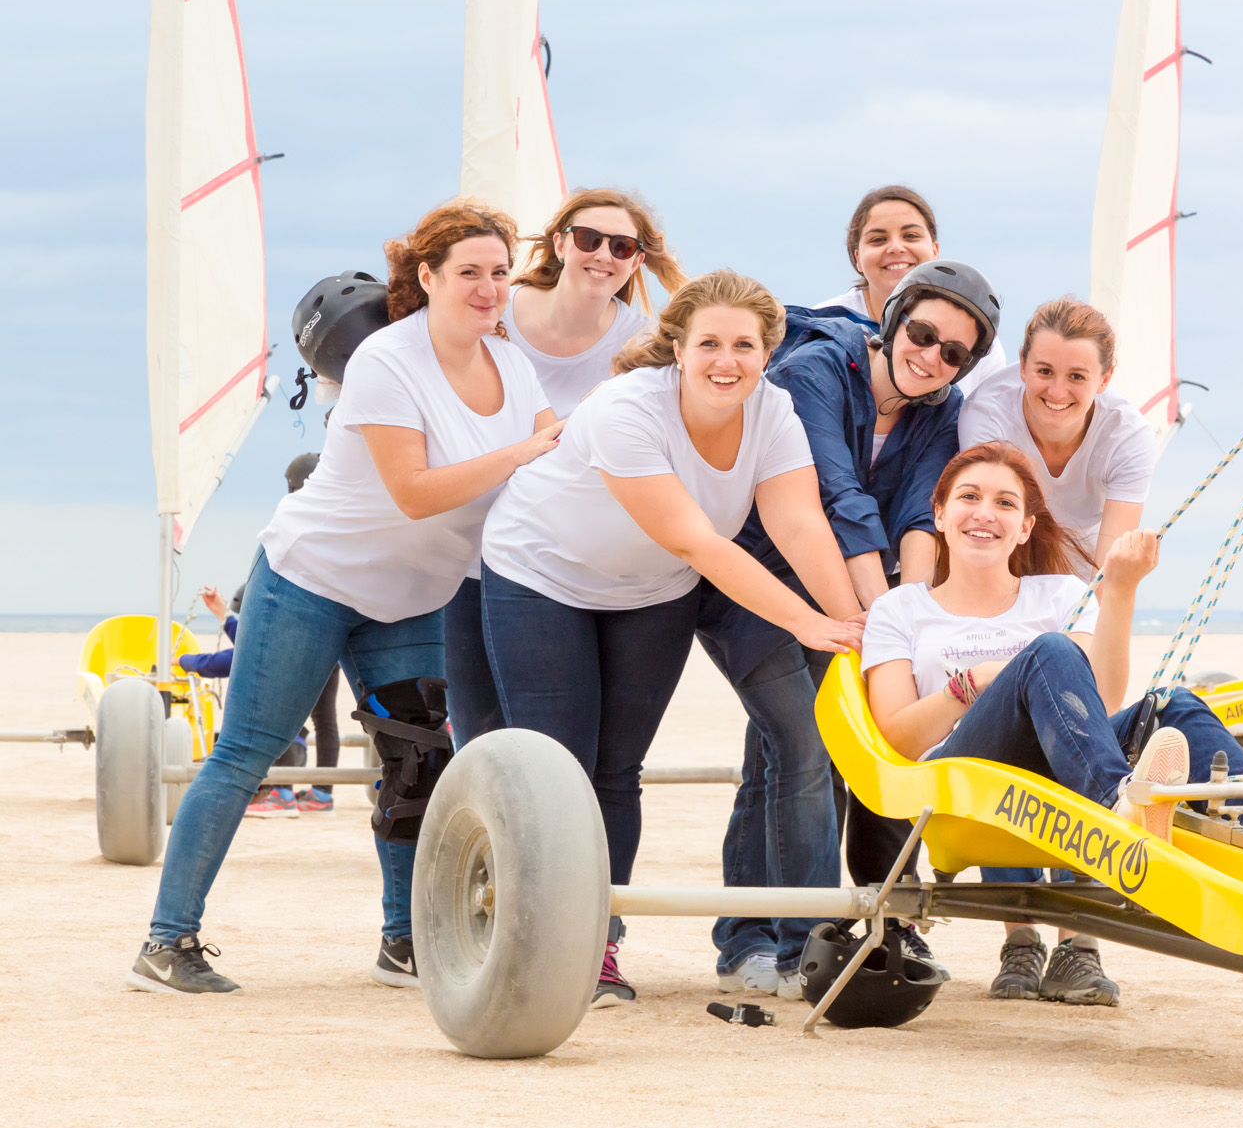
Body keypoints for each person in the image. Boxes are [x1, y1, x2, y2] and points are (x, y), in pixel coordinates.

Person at [127, 200, 560, 996]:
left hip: (414, 595)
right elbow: (416, 492)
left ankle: (404, 940)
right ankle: (166, 940)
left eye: (500, 273)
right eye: (469, 272)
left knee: (417, 762)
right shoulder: (386, 361)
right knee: (246, 753)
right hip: (313, 579)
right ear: (426, 276)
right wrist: (524, 448)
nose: (489, 288)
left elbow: (549, 471)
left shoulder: (514, 364)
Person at [480, 269, 865, 1007]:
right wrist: (806, 620)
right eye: (711, 344)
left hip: (651, 592)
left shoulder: (774, 411)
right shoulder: (629, 408)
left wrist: (848, 626)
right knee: (557, 769)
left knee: (617, 769)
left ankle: (598, 945)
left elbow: (800, 523)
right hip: (542, 574)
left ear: (766, 352)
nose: (728, 361)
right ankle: (538, 938)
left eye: (745, 346)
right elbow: (699, 541)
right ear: (678, 350)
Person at [860, 443, 1243, 1004]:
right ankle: (1120, 807)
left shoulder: (1060, 594)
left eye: (1004, 503)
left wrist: (1120, 587)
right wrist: (970, 683)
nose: (984, 513)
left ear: (1024, 528)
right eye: (969, 497)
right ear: (940, 513)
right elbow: (896, 737)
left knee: (1173, 705)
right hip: (965, 773)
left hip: (1062, 760)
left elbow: (1103, 698)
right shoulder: (901, 609)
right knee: (1047, 650)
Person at [714, 258, 1001, 982]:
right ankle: (804, 947)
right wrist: (884, 620)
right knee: (805, 744)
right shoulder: (813, 370)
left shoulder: (940, 407)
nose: (931, 355)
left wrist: (914, 614)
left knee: (791, 748)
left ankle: (758, 934)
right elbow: (838, 497)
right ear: (893, 316)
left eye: (954, 352)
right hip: (755, 582)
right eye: (922, 331)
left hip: (850, 590)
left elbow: (915, 516)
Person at [958, 296, 1158, 997]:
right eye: (1044, 370)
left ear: (1105, 378)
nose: (1057, 390)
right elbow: (986, 511)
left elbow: (1109, 568)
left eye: (1078, 376)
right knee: (1014, 737)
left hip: (1074, 595)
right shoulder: (989, 409)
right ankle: (1020, 939)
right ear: (1021, 367)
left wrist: (1083, 633)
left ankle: (1081, 941)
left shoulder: (1127, 437)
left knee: (1078, 725)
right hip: (999, 570)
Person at [442, 189, 686, 751]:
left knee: (561, 751)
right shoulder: (495, 311)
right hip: (467, 549)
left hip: (555, 564)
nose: (603, 254)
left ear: (636, 262)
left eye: (621, 246)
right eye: (588, 238)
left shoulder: (643, 343)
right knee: (477, 740)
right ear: (560, 243)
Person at [181, 453, 344, 818]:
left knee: (286, 711)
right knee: (325, 719)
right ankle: (322, 794)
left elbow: (239, 654)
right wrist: (225, 614)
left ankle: (282, 794)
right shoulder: (341, 516)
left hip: (305, 629)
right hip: (338, 628)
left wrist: (185, 661)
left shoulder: (301, 521)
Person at [808, 185, 1008, 396]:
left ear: (934, 251)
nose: (896, 247)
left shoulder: (978, 341)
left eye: (911, 236)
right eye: (878, 239)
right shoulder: (827, 322)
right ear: (858, 259)